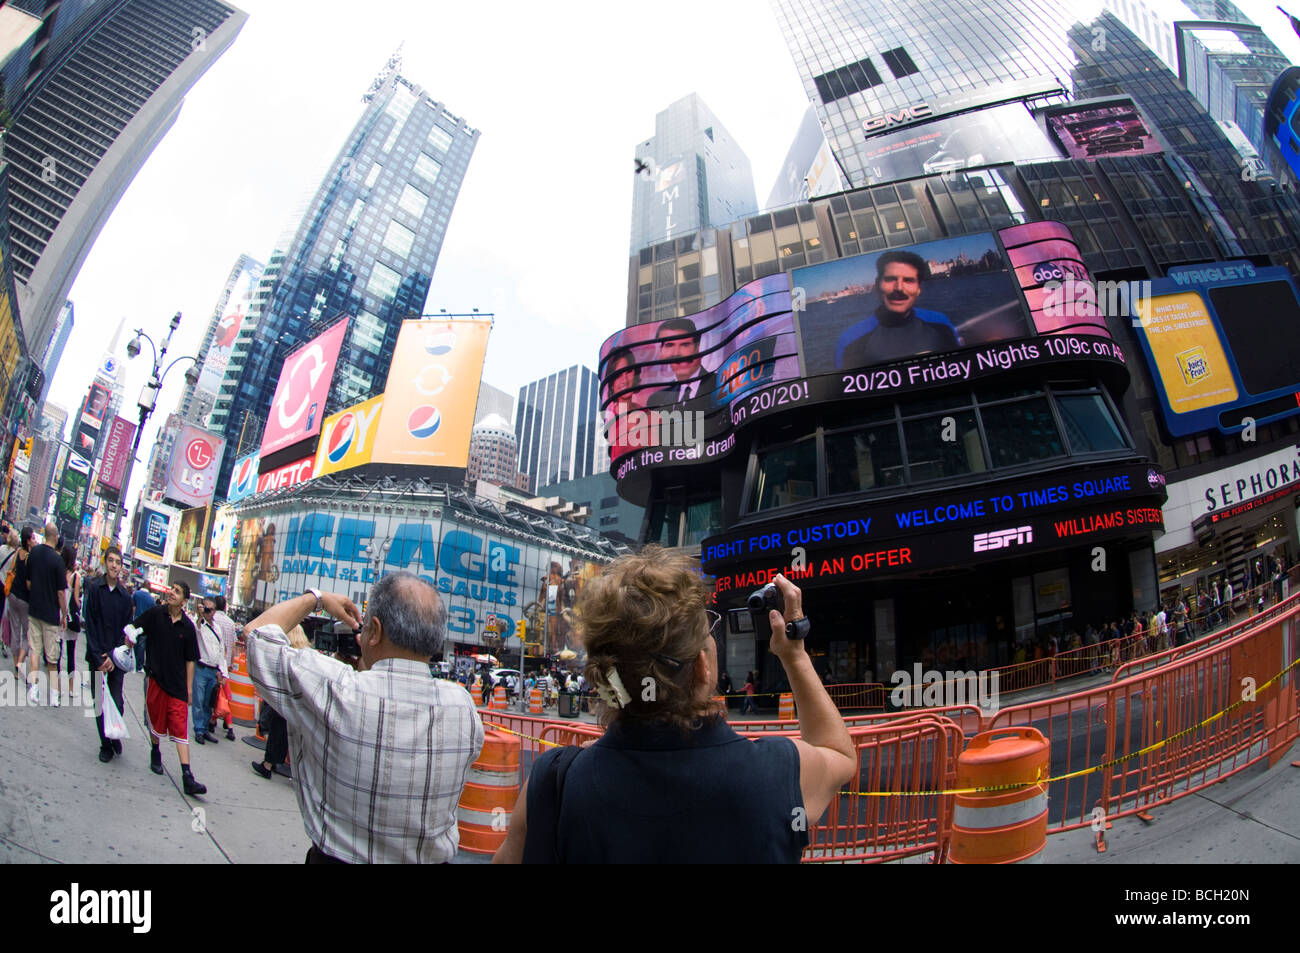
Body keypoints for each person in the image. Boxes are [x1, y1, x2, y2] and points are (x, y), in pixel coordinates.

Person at [492, 549, 857, 864]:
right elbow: (838, 753)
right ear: (702, 667)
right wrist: (794, 656)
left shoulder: (554, 785)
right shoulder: (777, 771)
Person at [243, 572, 485, 863]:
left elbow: (257, 634)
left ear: (376, 631)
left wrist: (316, 598)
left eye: (365, 628)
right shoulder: (462, 706)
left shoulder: (336, 688)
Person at [137, 582, 207, 796]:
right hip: (156, 680)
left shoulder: (187, 627)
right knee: (155, 722)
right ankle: (155, 752)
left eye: (176, 591)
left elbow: (190, 660)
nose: (171, 593)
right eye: (172, 589)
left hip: (177, 687)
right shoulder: (156, 614)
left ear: (185, 601)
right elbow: (136, 627)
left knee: (180, 729)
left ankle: (188, 776)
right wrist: (129, 639)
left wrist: (188, 690)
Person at [836, 251, 958, 369]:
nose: (899, 288)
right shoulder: (850, 341)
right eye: (890, 279)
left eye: (909, 280)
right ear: (878, 285)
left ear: (919, 289)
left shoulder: (941, 324)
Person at [83, 547, 134, 763]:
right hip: (96, 656)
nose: (114, 565)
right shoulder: (94, 589)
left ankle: (114, 733)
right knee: (98, 703)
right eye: (111, 561)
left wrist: (113, 657)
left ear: (122, 566)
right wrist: (99, 657)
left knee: (117, 702)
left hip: (115, 661)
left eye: (118, 562)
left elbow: (125, 629)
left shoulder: (125, 597)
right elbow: (90, 624)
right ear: (105, 563)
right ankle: (105, 744)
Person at [251, 624, 309, 781]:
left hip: (283, 699)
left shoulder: (289, 655)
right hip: (297, 703)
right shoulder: (304, 654)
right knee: (286, 736)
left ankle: (267, 765)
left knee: (276, 730)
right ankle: (275, 762)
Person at [25, 523, 69, 706]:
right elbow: (61, 593)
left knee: (34, 650)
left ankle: (33, 689)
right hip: (51, 615)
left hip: (34, 609)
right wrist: (64, 614)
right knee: (52, 657)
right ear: (57, 537)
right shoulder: (58, 562)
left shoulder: (33, 553)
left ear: (44, 534)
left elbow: (28, 583)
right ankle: (53, 694)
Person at [645, 318, 718, 409]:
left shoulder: (721, 384)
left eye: (685, 345)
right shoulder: (656, 400)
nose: (676, 353)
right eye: (670, 345)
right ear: (661, 351)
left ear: (697, 347)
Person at [192, 596, 229, 746]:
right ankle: (199, 730)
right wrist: (200, 615)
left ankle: (205, 728)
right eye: (205, 608)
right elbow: (197, 627)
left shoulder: (218, 629)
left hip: (214, 670)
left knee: (209, 701)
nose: (208, 612)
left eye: (210, 609)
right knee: (199, 701)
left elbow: (221, 652)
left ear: (215, 611)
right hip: (201, 668)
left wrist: (224, 672)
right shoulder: (199, 624)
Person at [203, 595, 240, 740]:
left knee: (213, 696)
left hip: (212, 662)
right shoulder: (231, 623)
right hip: (224, 665)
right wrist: (230, 664)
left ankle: (211, 722)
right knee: (222, 696)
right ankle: (218, 724)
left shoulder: (212, 620)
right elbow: (232, 645)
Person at [57, 545, 82, 701]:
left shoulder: (60, 572)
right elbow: (76, 600)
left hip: (59, 614)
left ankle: (57, 686)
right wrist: (79, 605)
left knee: (58, 653)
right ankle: (71, 687)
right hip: (71, 617)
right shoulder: (76, 576)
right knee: (71, 653)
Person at [8, 528, 32, 682]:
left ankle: (15, 665)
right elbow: (29, 583)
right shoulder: (30, 557)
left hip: (12, 595)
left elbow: (11, 569)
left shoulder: (17, 553)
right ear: (29, 540)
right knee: (27, 634)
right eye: (33, 539)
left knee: (15, 632)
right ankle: (19, 664)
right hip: (24, 599)